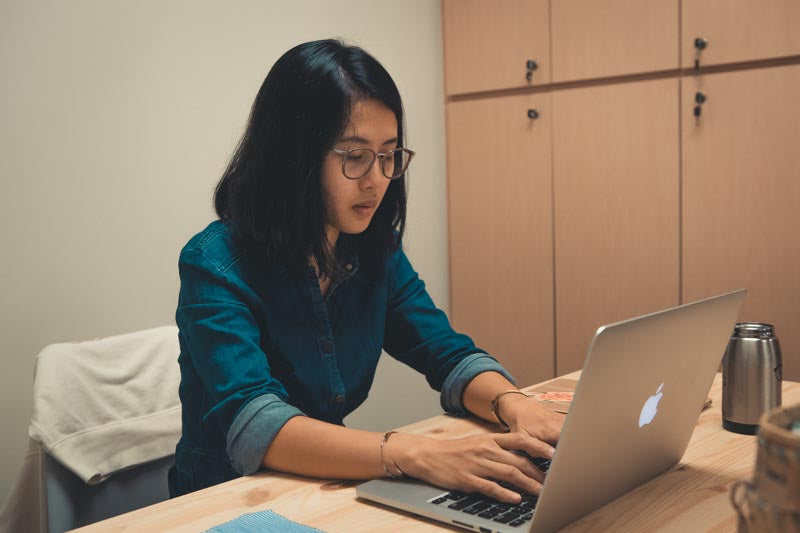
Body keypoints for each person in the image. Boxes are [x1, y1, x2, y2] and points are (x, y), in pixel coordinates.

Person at [168, 39, 564, 503]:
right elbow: (258, 425)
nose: (376, 178)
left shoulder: (374, 249)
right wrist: (418, 454)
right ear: (293, 159)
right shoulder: (214, 263)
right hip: (223, 503)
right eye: (354, 156)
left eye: (389, 154)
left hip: (319, 487)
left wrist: (513, 404)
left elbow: (447, 353)